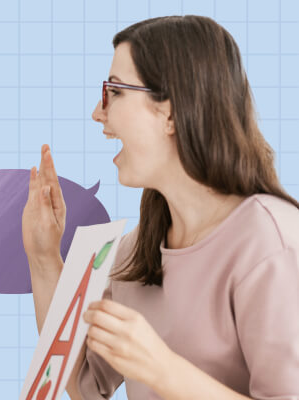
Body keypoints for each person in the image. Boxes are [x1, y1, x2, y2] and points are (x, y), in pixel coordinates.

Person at [22, 15, 299, 400]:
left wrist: (164, 371)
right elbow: (81, 382)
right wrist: (43, 256)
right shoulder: (134, 253)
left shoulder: (271, 243)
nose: (98, 113)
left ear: (169, 111)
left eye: (114, 91)